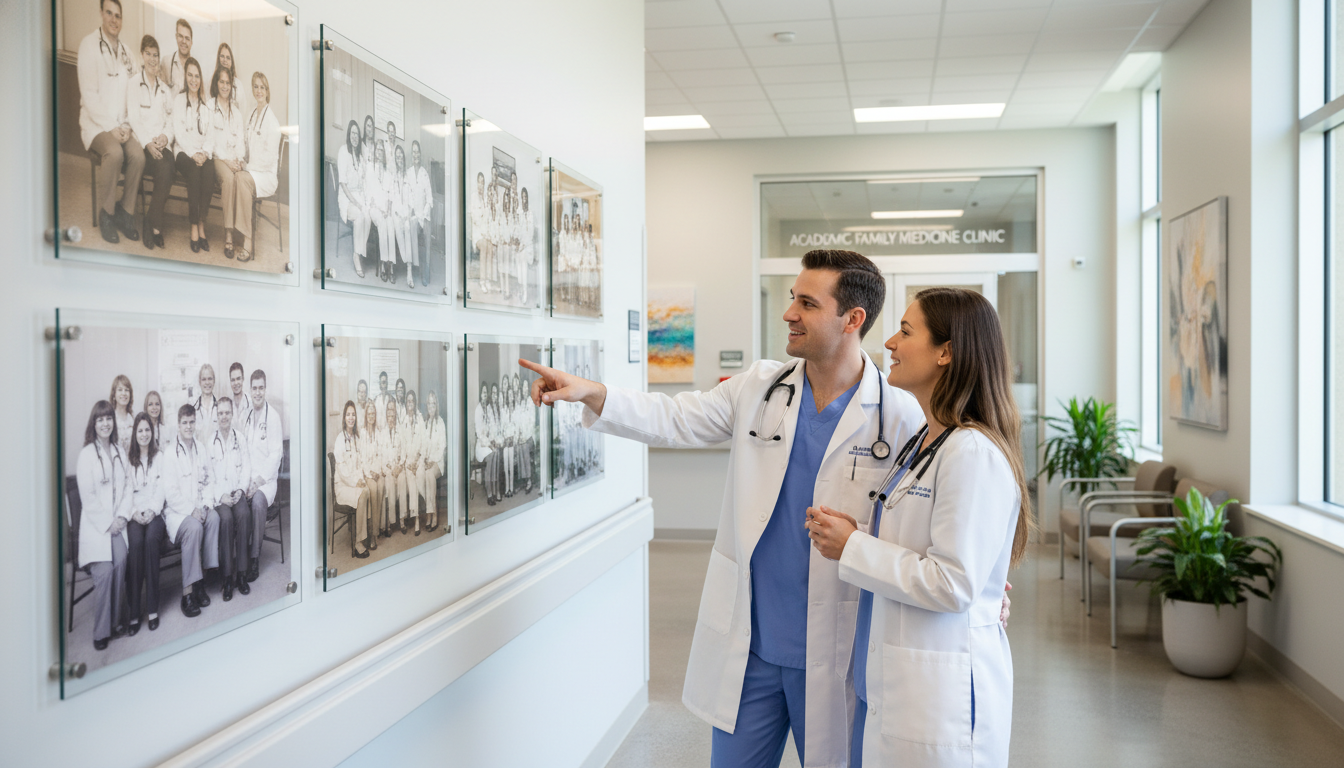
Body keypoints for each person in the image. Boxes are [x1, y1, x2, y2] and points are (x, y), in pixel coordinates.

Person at [520, 250, 996, 768]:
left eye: (807, 303)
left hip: (839, 649)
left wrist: (990, 595)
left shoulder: (900, 413)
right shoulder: (761, 386)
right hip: (751, 649)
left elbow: (938, 526)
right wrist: (593, 393)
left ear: (852, 319)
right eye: (793, 298)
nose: (789, 312)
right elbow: (676, 418)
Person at [806, 287, 1033, 768]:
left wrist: (853, 548)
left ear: (946, 352)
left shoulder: (971, 453)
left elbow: (954, 584)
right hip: (898, 680)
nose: (889, 342)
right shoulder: (926, 442)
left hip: (940, 700)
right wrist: (861, 534)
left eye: (906, 332)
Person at [78, 0, 143, 244]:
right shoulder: (89, 46)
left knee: (138, 156)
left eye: (118, 15)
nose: (114, 20)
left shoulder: (127, 52)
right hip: (97, 125)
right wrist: (111, 127)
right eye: (109, 14)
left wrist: (127, 125)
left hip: (122, 125)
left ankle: (125, 213)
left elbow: (134, 91)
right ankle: (106, 213)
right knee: (114, 154)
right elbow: (89, 95)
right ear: (101, 14)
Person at [75, 400, 130, 651]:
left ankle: (118, 622)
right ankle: (101, 630)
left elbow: (128, 486)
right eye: (100, 419)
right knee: (105, 572)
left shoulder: (119, 450)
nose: (106, 423)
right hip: (97, 528)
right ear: (93, 424)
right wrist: (109, 523)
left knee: (120, 562)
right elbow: (89, 498)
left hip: (117, 524)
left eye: (109, 418)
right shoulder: (86, 455)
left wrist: (121, 518)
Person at [161, 404, 219, 618]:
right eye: (184, 423)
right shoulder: (169, 454)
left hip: (198, 507)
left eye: (191, 422)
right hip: (178, 514)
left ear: (196, 423)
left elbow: (209, 479)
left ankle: (202, 581)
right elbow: (171, 494)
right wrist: (191, 511)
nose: (188, 426)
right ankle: (187, 593)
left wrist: (205, 505)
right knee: (194, 528)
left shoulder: (200, 448)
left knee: (213, 517)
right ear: (178, 425)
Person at [126, 34, 173, 251]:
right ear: (142, 55)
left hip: (161, 144)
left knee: (167, 170)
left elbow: (171, 120)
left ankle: (150, 222)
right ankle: (156, 227)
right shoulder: (134, 83)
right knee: (161, 170)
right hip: (144, 145)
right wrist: (148, 143)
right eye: (149, 54)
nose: (153, 59)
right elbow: (134, 118)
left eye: (156, 55)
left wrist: (165, 137)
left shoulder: (165, 89)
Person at [235, 71, 282, 263]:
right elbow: (244, 144)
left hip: (266, 176)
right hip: (252, 170)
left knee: (242, 179)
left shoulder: (273, 122)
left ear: (267, 91)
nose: (259, 91)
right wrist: (240, 159)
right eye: (256, 86)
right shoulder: (252, 115)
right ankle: (239, 230)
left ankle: (248, 240)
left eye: (262, 87)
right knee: (236, 175)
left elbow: (269, 160)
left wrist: (247, 166)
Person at [125, 411, 166, 635]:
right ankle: (133, 613)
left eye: (147, 430)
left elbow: (161, 489)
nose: (144, 434)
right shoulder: (128, 460)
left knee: (151, 541)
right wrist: (134, 513)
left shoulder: (159, 458)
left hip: (155, 513)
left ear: (152, 432)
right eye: (140, 430)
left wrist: (152, 510)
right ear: (135, 433)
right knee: (137, 545)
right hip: (135, 515)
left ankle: (152, 609)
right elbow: (125, 493)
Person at [241, 369, 283, 582]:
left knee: (257, 502)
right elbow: (242, 452)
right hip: (248, 479)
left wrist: (258, 481)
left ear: (265, 389)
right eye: (254, 388)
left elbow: (276, 455)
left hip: (266, 482)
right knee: (237, 501)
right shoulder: (246, 415)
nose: (257, 392)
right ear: (250, 390)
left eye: (261, 388)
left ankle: (254, 558)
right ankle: (237, 558)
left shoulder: (273, 417)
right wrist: (245, 482)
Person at [209, 397, 251, 600]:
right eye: (220, 413)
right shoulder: (210, 442)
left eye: (227, 412)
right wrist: (220, 496)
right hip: (221, 497)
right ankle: (227, 578)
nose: (224, 416)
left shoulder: (240, 438)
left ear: (232, 414)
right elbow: (208, 476)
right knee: (225, 520)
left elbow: (246, 468)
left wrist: (242, 490)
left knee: (243, 514)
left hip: (237, 492)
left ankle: (242, 574)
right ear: (216, 416)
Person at [172, 56, 215, 253]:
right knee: (194, 173)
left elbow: (210, 135)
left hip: (201, 154)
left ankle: (201, 223)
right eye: (190, 75)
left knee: (209, 173)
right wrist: (193, 154)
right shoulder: (179, 101)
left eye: (197, 76)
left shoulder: (205, 107)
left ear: (201, 79)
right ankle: (193, 226)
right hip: (183, 153)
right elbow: (179, 134)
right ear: (185, 76)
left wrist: (204, 154)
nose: (193, 80)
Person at [210, 67, 246, 259]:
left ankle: (240, 228)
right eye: (221, 82)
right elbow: (211, 143)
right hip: (217, 159)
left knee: (241, 179)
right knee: (230, 180)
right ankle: (229, 233)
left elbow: (241, 141)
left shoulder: (237, 113)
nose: (225, 86)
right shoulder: (209, 107)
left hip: (234, 160)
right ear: (216, 84)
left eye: (228, 83)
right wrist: (226, 160)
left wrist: (239, 160)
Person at [332, 401, 371, 558]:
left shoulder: (356, 438)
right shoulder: (340, 440)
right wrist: (356, 483)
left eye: (353, 414)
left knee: (367, 490)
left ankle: (363, 534)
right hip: (342, 486)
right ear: (344, 417)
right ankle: (358, 543)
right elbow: (342, 472)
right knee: (363, 494)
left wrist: (361, 480)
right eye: (348, 414)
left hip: (354, 482)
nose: (351, 417)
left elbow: (359, 464)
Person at [337, 120, 369, 277]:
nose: (355, 137)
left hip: (359, 195)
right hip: (347, 197)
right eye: (353, 133)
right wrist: (356, 202)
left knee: (368, 214)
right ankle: (356, 256)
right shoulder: (343, 151)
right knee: (359, 215)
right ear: (349, 135)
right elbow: (343, 184)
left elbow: (364, 181)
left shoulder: (360, 156)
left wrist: (365, 200)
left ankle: (360, 250)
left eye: (357, 134)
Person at [380, 399, 409, 534]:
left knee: (402, 480)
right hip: (389, 470)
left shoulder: (401, 430)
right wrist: (391, 470)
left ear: (396, 414)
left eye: (393, 414)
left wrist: (399, 466)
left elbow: (404, 451)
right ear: (386, 415)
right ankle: (391, 522)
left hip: (399, 467)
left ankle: (402, 520)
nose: (391, 417)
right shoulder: (383, 433)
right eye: (388, 414)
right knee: (390, 484)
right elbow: (382, 456)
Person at [368, 140, 394, 283]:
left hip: (385, 210)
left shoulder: (388, 173)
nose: (379, 152)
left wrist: (388, 210)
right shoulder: (370, 169)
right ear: (375, 152)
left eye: (381, 150)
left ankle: (391, 265)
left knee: (390, 223)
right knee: (384, 223)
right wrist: (379, 209)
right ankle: (383, 264)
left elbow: (390, 194)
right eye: (377, 150)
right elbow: (369, 193)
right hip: (374, 209)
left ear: (384, 154)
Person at [359, 402, 383, 549]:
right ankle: (372, 535)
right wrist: (370, 473)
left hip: (376, 472)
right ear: (365, 415)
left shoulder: (378, 433)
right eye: (369, 413)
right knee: (373, 489)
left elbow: (380, 455)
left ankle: (376, 529)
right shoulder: (361, 433)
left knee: (380, 487)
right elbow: (362, 458)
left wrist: (377, 472)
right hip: (366, 473)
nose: (371, 416)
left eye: (373, 413)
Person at [420, 390, 445, 532]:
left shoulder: (440, 422)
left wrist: (432, 461)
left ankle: (432, 515)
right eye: (429, 403)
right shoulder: (425, 423)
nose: (431, 406)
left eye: (433, 403)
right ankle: (429, 512)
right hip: (428, 462)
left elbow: (441, 447)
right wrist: (424, 458)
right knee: (421, 475)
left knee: (429, 475)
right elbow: (423, 445)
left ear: (437, 405)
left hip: (438, 462)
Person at [401, 389, 425, 533]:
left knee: (419, 479)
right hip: (409, 462)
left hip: (419, 459)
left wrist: (417, 460)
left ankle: (417, 515)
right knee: (411, 479)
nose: (410, 403)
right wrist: (409, 462)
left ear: (415, 403)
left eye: (412, 401)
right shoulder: (402, 421)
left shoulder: (420, 419)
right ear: (406, 403)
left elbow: (423, 442)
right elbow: (402, 445)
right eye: (408, 401)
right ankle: (416, 519)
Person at [392, 145, 415, 289]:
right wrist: (397, 213)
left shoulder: (408, 177)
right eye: (397, 156)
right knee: (398, 229)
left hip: (406, 214)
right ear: (395, 159)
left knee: (407, 226)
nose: (399, 159)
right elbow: (392, 198)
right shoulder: (393, 177)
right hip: (396, 213)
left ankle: (409, 270)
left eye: (401, 156)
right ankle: (406, 259)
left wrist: (407, 214)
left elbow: (411, 199)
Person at [410, 140, 433, 286]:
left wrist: (424, 215)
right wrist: (414, 213)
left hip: (424, 215)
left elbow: (429, 197)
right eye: (414, 152)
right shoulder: (408, 173)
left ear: (420, 154)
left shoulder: (424, 174)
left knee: (427, 235)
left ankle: (427, 269)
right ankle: (414, 267)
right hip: (413, 213)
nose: (416, 154)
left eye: (418, 152)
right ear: (411, 155)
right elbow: (408, 196)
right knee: (412, 228)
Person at [473, 383, 493, 503]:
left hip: (490, 442)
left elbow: (492, 428)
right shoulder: (478, 410)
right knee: (491, 456)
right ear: (480, 395)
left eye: (486, 393)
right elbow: (480, 434)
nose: (485, 395)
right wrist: (489, 443)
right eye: (483, 393)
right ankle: (489, 493)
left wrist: (492, 441)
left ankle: (494, 490)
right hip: (481, 445)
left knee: (495, 454)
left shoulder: (489, 408)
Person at [161, 18, 192, 92]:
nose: (183, 41)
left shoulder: (195, 67)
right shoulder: (166, 62)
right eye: (180, 36)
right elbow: (160, 94)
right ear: (176, 37)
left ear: (191, 42)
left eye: (187, 38)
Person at [192, 363, 219, 447]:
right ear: (199, 382)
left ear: (214, 381)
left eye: (210, 379)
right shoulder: (193, 408)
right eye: (204, 379)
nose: (207, 382)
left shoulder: (220, 408)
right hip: (199, 456)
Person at [110, 374, 135, 456]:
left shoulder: (133, 419)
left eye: (127, 390)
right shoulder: (110, 418)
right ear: (114, 394)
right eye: (120, 390)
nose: (124, 393)